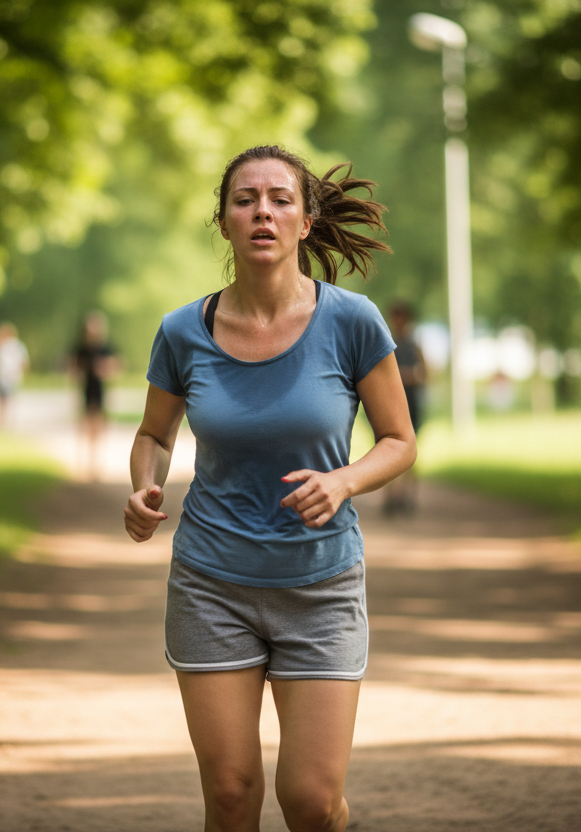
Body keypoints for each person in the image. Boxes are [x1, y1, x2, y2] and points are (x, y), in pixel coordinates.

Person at [124, 145, 417, 832]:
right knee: (230, 795)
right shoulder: (181, 332)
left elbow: (400, 442)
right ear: (224, 221)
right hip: (211, 583)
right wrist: (144, 487)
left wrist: (344, 480)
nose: (262, 211)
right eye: (245, 199)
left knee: (312, 804)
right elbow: (155, 437)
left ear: (305, 221)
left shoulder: (352, 323)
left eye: (280, 199)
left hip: (320, 584)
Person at [382, 300, 427, 516]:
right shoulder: (386, 342)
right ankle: (390, 497)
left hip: (411, 405)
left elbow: (425, 374)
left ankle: (407, 496)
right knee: (385, 450)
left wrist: (408, 376)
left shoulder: (413, 346)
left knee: (410, 450)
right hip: (389, 406)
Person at [70, 310, 120, 480]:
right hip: (85, 390)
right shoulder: (81, 349)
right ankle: (83, 464)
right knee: (84, 427)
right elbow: (72, 368)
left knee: (98, 429)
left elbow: (115, 368)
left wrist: (105, 369)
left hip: (99, 392)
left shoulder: (105, 349)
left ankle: (96, 464)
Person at [0, 322, 28, 429]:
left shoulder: (13, 346)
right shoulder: (5, 346)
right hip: (4, 377)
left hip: (7, 377)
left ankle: (1, 423)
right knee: (2, 400)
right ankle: (0, 422)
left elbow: (22, 362)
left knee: (4, 400)